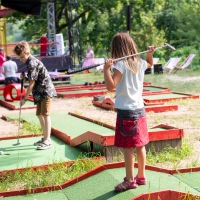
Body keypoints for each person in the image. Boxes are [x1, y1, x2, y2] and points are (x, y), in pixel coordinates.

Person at [103, 32, 156, 192]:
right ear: (131, 46)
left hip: (126, 112)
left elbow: (110, 86)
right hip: (140, 111)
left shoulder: (120, 65)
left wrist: (106, 69)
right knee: (140, 145)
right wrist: (150, 54)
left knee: (128, 148)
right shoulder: (139, 62)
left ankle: (129, 180)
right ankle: (141, 176)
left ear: (116, 49)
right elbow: (149, 63)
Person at [13, 41, 57, 150]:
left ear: (28, 52)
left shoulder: (32, 62)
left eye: (22, 56)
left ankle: (48, 140)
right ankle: (45, 137)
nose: (21, 59)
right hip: (39, 92)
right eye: (20, 57)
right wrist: (25, 78)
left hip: (45, 90)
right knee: (39, 114)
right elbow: (34, 78)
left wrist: (25, 97)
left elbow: (32, 83)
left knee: (46, 114)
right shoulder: (28, 62)